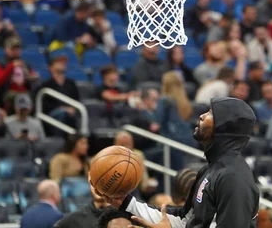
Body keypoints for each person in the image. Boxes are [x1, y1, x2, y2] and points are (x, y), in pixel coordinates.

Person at [102, 97, 260, 228]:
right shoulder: (210, 170)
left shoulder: (232, 177)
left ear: (224, 128)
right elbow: (184, 220)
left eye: (211, 113)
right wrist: (126, 202)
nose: (202, 116)